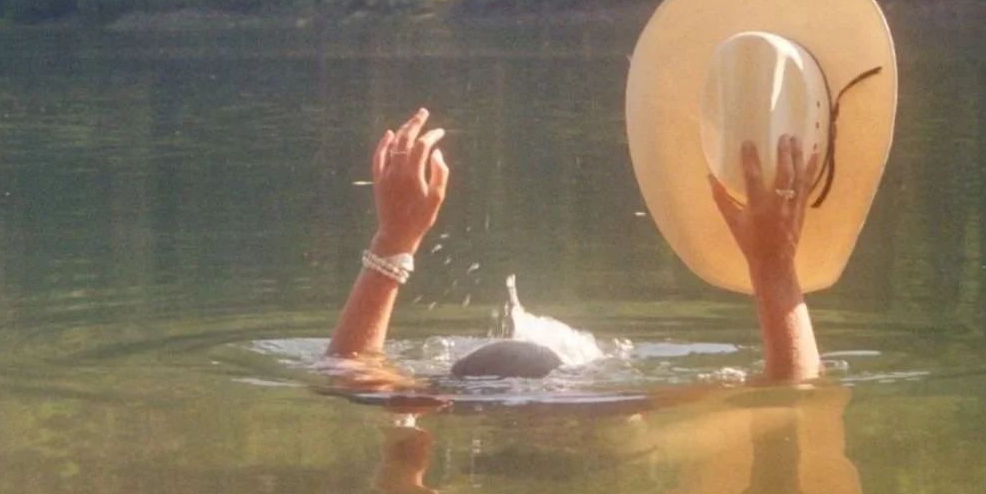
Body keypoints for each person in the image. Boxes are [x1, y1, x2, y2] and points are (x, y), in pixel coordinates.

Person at [327, 107, 821, 387]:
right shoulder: (610, 412)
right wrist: (773, 265)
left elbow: (348, 369)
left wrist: (395, 238)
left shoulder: (445, 406)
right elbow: (790, 387)